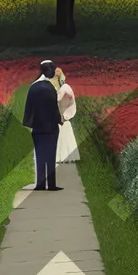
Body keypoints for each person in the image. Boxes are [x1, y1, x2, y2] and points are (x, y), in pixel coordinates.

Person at [22, 60, 63, 190]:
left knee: (40, 155)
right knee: (51, 155)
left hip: (37, 128)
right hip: (50, 127)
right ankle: (51, 184)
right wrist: (59, 120)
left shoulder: (33, 87)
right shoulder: (50, 88)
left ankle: (40, 184)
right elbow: (54, 108)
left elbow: (28, 108)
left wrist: (30, 122)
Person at [53, 67, 79, 163]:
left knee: (62, 134)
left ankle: (63, 156)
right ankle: (65, 156)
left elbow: (59, 99)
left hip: (63, 113)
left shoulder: (65, 87)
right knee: (64, 134)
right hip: (62, 113)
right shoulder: (64, 87)